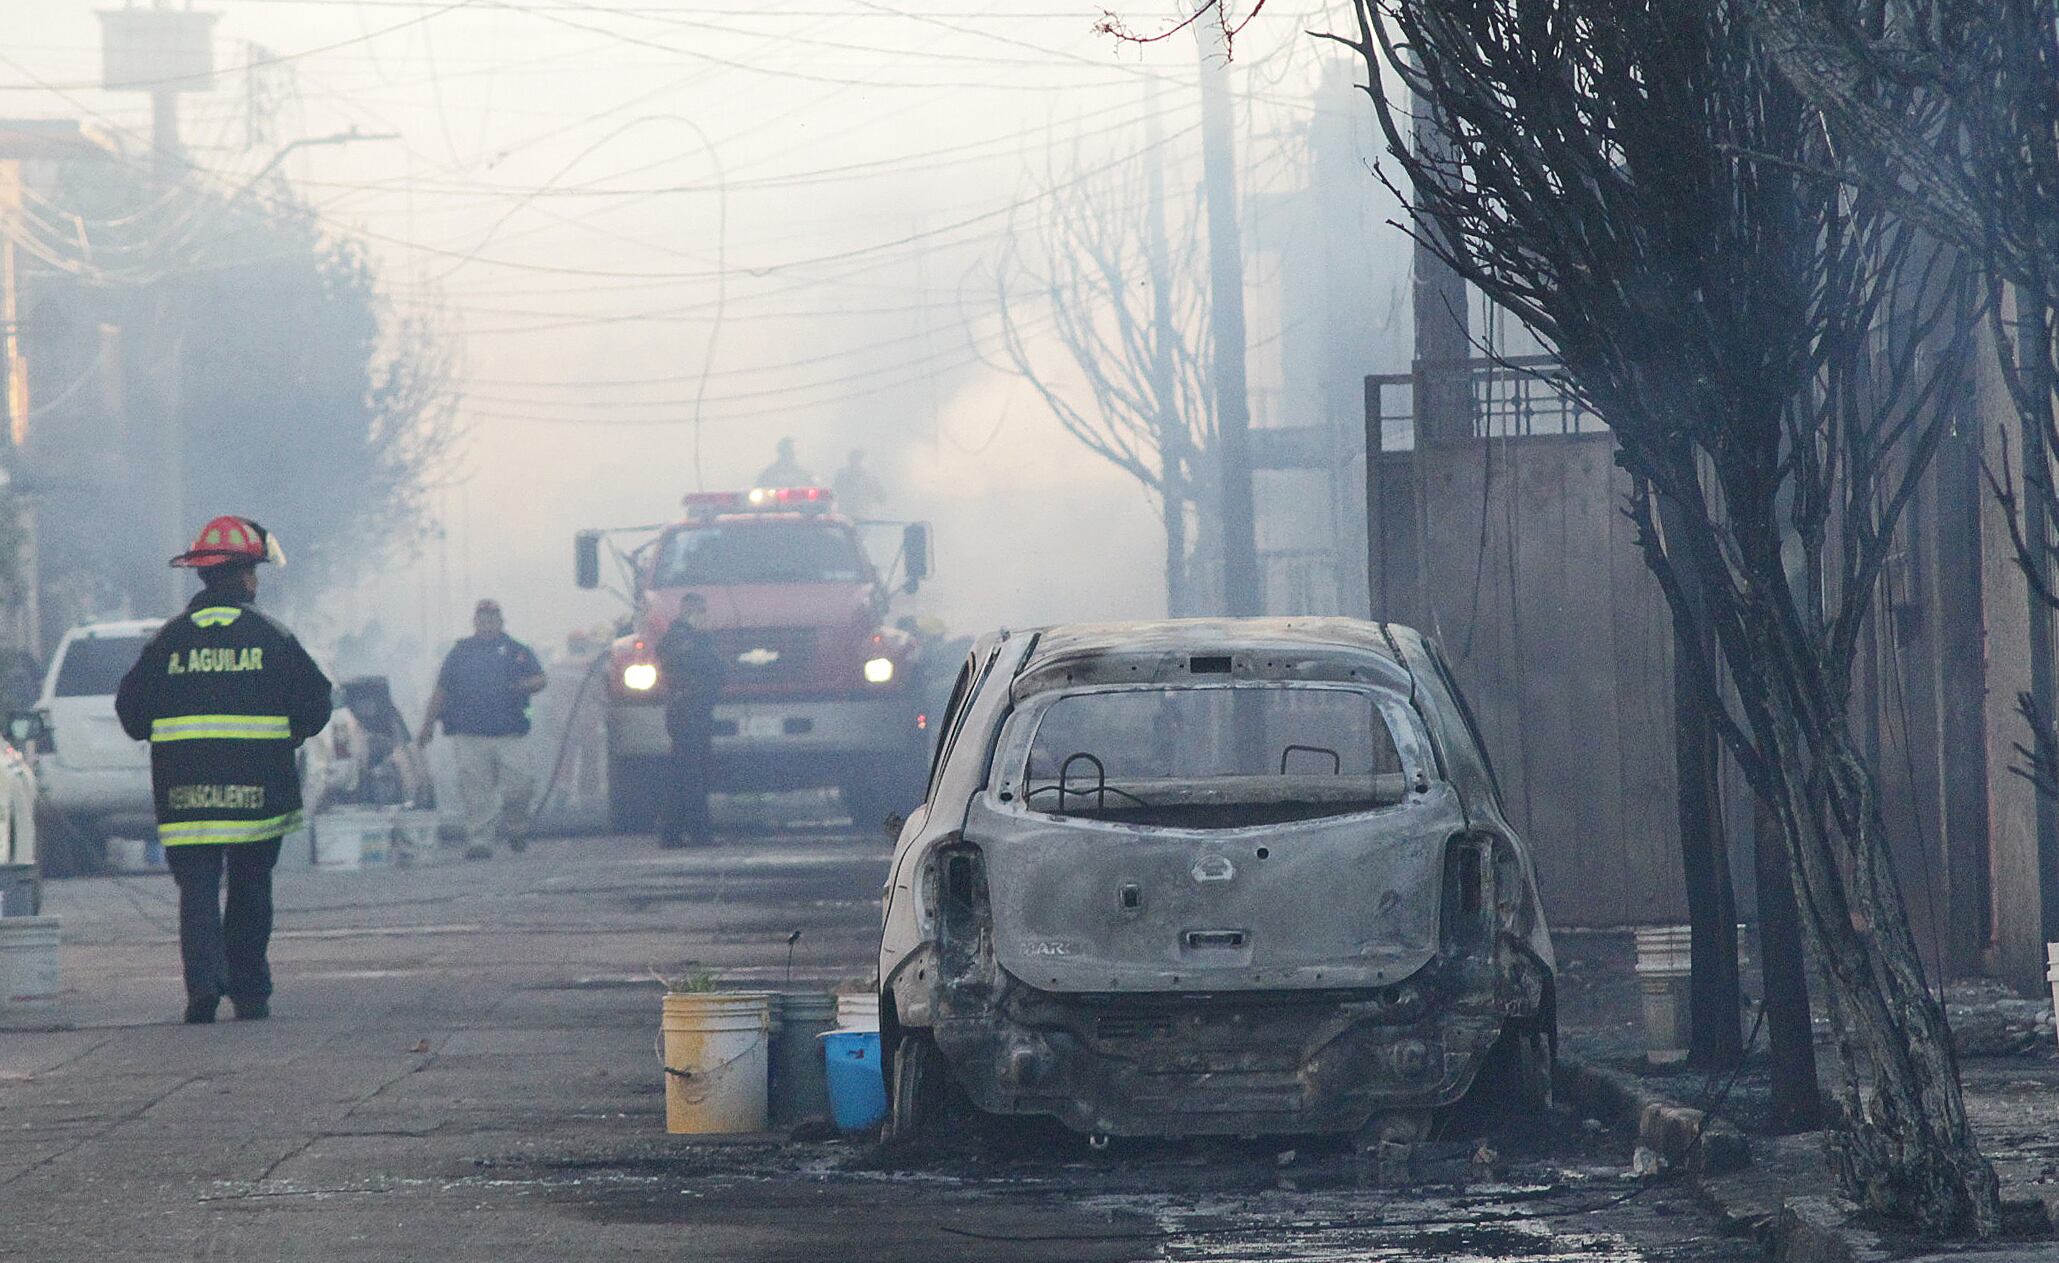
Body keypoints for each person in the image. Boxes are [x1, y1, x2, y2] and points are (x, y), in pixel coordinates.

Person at [115, 516, 333, 1024]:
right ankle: (250, 991)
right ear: (246, 578)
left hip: (185, 794)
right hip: (259, 793)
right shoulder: (273, 636)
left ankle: (202, 991)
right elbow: (316, 704)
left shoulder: (167, 641)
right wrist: (289, 732)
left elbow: (131, 713)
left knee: (196, 889)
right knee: (251, 886)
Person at [417, 599, 547, 860]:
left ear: (501, 622)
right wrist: (428, 725)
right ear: (475, 622)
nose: (487, 624)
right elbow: (442, 690)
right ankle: (480, 840)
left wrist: (519, 686)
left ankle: (517, 826)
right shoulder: (460, 654)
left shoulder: (517, 651)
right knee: (476, 791)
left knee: (521, 785)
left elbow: (540, 679)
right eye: (482, 619)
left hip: (511, 733)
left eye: (492, 619)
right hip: (470, 734)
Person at [655, 594, 726, 848]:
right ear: (686, 610)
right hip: (685, 710)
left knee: (692, 772)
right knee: (688, 773)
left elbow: (717, 670)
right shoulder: (678, 639)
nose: (703, 614)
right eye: (698, 609)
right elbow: (694, 663)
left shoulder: (698, 639)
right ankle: (694, 832)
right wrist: (701, 639)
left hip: (699, 710)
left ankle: (675, 832)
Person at [831, 448, 886, 518]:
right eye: (854, 459)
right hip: (845, 517)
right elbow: (835, 493)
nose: (856, 462)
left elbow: (881, 497)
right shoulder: (841, 475)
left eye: (858, 459)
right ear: (850, 460)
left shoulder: (870, 477)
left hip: (864, 517)